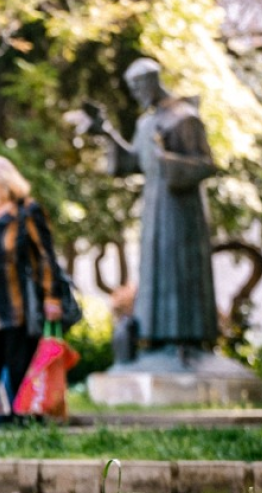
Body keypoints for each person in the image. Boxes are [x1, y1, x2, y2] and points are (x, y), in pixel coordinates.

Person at [82, 58, 218, 361]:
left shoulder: (184, 118)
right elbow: (132, 162)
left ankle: (187, 340)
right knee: (156, 269)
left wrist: (169, 162)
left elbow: (207, 164)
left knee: (179, 268)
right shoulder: (146, 123)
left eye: (137, 86)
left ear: (152, 81)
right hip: (154, 208)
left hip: (182, 211)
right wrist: (105, 132)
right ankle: (157, 339)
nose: (135, 93)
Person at [0, 155, 69, 433]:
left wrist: (52, 297)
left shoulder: (26, 212)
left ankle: (29, 423)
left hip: (17, 305)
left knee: (21, 367)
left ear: (6, 185)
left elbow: (45, 257)